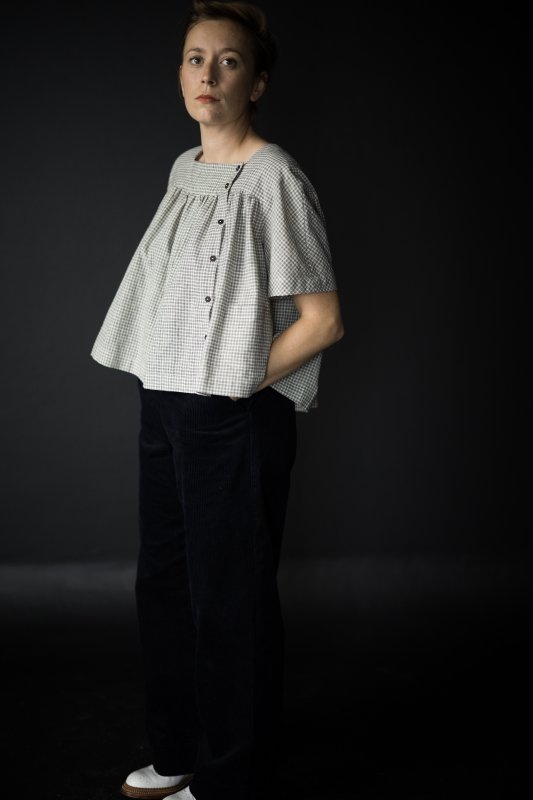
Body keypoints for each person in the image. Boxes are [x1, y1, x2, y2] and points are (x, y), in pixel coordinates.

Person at [90, 1, 344, 798]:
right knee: (165, 589)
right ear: (179, 75)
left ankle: (231, 779)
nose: (208, 74)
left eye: (228, 60)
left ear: (256, 81)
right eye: (195, 58)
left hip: (232, 416)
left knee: (230, 601)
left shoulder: (276, 178)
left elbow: (323, 322)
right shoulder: (184, 169)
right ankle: (178, 753)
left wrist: (232, 382)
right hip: (164, 405)